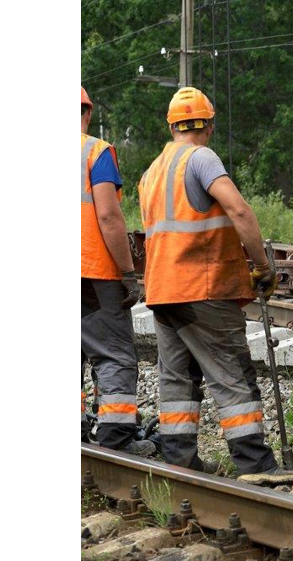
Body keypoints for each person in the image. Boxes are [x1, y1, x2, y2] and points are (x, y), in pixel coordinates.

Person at [138, 87, 293, 485]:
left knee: (177, 377)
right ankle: (255, 464)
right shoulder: (201, 158)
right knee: (231, 372)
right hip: (203, 287)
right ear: (209, 126)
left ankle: (179, 459)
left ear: (172, 126)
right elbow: (240, 210)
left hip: (162, 290)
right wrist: (262, 265)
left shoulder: (152, 170)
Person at [80, 86, 155, 456]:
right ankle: (116, 440)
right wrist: (128, 271)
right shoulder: (96, 151)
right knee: (113, 356)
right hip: (92, 272)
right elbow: (108, 215)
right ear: (88, 113)